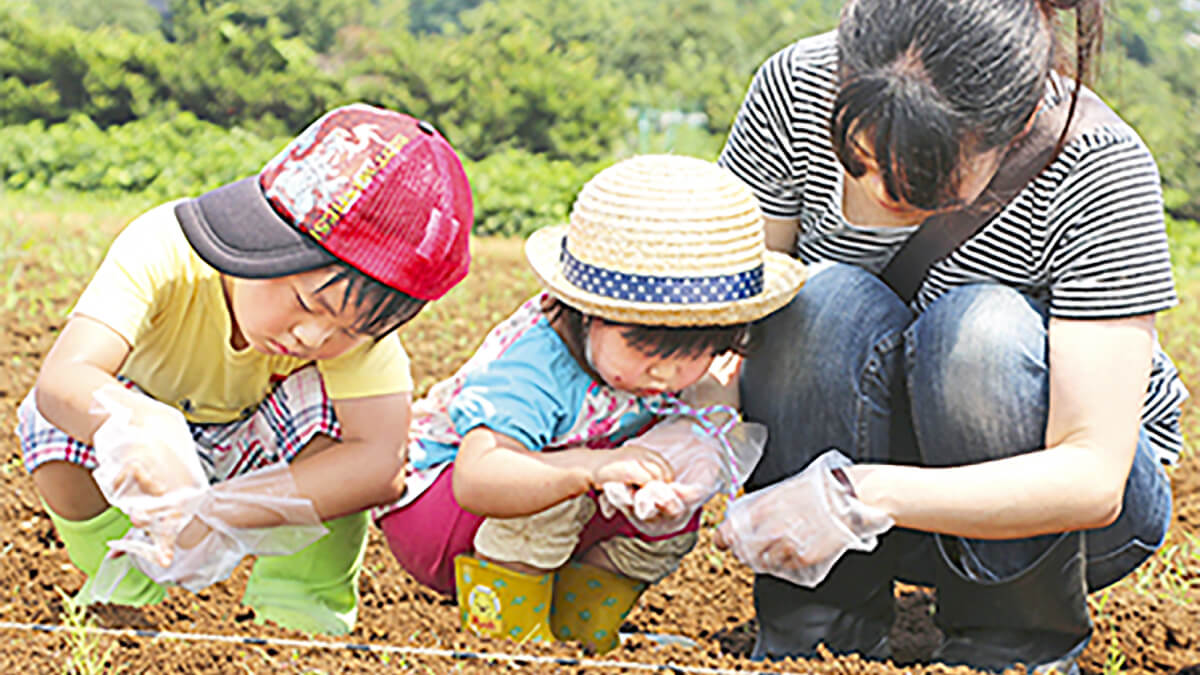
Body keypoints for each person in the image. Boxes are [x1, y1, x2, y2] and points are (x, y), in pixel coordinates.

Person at [713, 0, 1186, 673]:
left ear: (1011, 128)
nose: (876, 191)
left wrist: (863, 492)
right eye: (859, 158)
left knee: (980, 330)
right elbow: (732, 323)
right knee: (815, 300)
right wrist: (684, 440)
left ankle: (1014, 647)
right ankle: (813, 639)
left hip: (1065, 522)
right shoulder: (795, 86)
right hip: (847, 496)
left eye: (922, 178)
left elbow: (1093, 476)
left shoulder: (1095, 164)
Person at [16, 103, 474, 636]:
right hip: (144, 460)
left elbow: (380, 464)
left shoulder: (353, 328)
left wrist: (222, 509)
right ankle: (123, 588)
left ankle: (298, 610)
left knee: (345, 423)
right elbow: (64, 379)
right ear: (266, 241)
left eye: (351, 329)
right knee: (50, 422)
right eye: (307, 304)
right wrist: (143, 426)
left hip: (262, 459)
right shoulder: (167, 249)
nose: (315, 338)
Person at [373, 154, 806, 653]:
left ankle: (578, 632)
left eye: (694, 353)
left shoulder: (674, 363)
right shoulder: (537, 363)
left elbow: (710, 394)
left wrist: (692, 452)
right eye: (648, 350)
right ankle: (511, 640)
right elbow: (479, 478)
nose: (667, 373)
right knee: (564, 487)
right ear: (588, 314)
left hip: (549, 501)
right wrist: (591, 467)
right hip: (441, 512)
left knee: (668, 505)